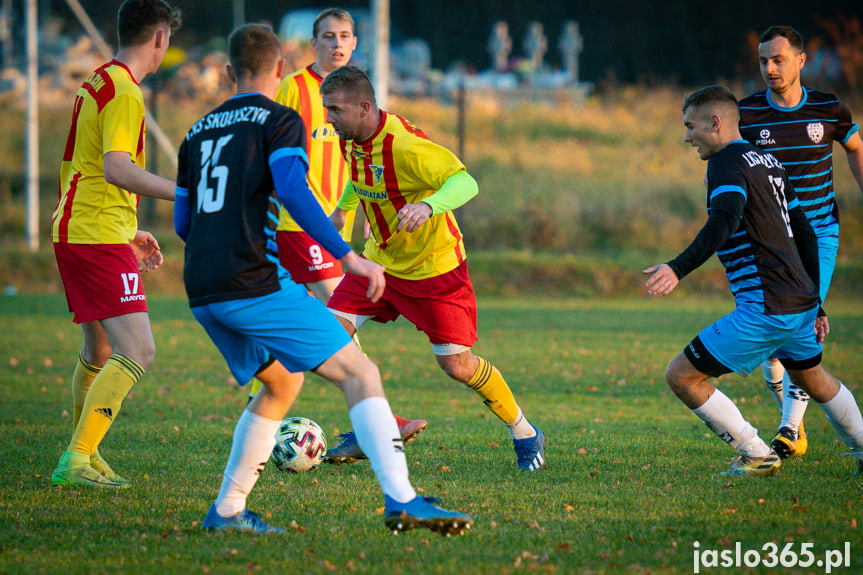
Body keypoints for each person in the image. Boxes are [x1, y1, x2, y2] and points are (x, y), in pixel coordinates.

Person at [174, 24, 473, 535]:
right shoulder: (279, 119)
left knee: (280, 382)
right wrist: (348, 257)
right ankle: (403, 500)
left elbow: (183, 222)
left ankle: (226, 512)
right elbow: (293, 191)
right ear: (282, 70)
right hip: (253, 283)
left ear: (227, 72)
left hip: (201, 286)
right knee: (361, 373)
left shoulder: (195, 131)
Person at [320, 65, 547, 471]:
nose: (328, 119)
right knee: (326, 338)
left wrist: (427, 206)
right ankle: (379, 425)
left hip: (434, 269)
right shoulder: (352, 137)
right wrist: (343, 211)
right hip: (379, 263)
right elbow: (361, 178)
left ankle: (524, 430)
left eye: (334, 110)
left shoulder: (406, 146)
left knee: (457, 365)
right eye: (327, 109)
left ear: (364, 107)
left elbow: (465, 182)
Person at [643, 85, 863, 477]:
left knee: (682, 376)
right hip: (799, 302)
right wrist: (817, 302)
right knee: (814, 380)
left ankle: (756, 453)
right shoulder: (770, 162)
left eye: (690, 126)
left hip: (767, 307)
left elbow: (723, 221)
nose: (686, 136)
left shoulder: (727, 163)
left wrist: (677, 267)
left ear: (715, 122)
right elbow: (807, 234)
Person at [249, 7, 427, 456]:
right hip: (295, 224)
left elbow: (362, 161)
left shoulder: (357, 94)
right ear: (314, 45)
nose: (337, 44)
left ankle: (267, 395)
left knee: (317, 325)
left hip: (327, 229)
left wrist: (347, 209)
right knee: (340, 309)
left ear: (354, 42)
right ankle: (380, 421)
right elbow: (267, 151)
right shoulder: (292, 90)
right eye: (327, 36)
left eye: (344, 36)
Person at [50, 0, 182, 489]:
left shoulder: (99, 79)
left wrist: (128, 228)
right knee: (139, 349)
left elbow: (87, 166)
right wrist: (184, 192)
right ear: (161, 39)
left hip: (83, 227)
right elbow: (117, 169)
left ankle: (87, 453)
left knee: (100, 348)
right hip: (95, 233)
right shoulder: (125, 90)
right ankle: (77, 458)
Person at [739, 25, 863, 460]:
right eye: (762, 61)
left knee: (803, 322)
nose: (770, 69)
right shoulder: (747, 115)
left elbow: (855, 147)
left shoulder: (830, 109)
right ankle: (793, 421)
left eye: (778, 60)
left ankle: (790, 428)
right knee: (774, 336)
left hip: (820, 235)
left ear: (800, 61)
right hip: (772, 240)